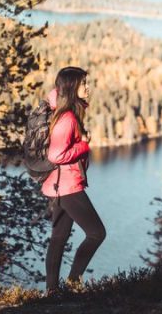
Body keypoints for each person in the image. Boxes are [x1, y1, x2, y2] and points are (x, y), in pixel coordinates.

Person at [43, 66, 105, 295]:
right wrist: (84, 143)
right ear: (72, 87)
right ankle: (73, 283)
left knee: (58, 237)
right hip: (67, 185)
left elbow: (53, 94)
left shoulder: (63, 108)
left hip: (58, 184)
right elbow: (56, 155)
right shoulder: (67, 117)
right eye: (84, 84)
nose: (88, 88)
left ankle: (51, 291)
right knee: (97, 233)